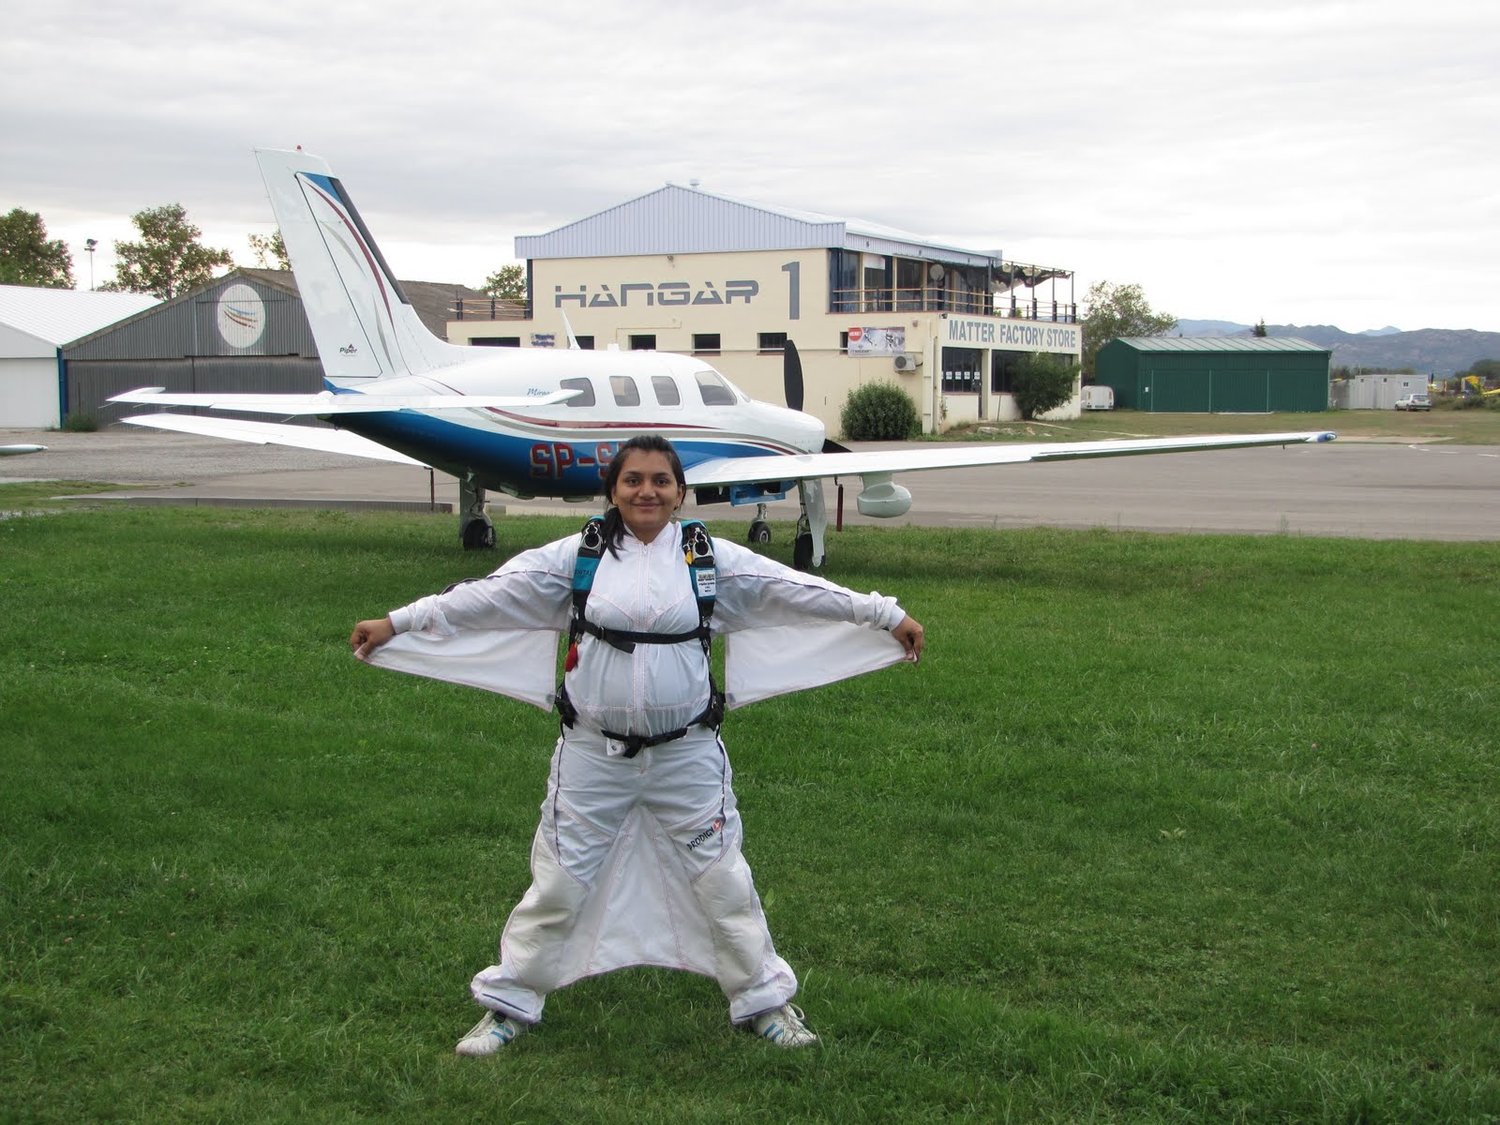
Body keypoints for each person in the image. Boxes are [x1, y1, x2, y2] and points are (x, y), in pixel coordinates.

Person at [350, 435, 924, 1056]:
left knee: (724, 881)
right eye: (632, 481)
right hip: (593, 758)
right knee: (559, 884)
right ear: (613, 491)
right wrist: (399, 622)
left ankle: (764, 1002)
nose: (646, 491)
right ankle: (509, 1004)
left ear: (680, 493)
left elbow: (795, 589)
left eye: (660, 481)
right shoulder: (578, 557)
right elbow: (488, 596)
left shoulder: (709, 558)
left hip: (688, 757)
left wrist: (882, 614)